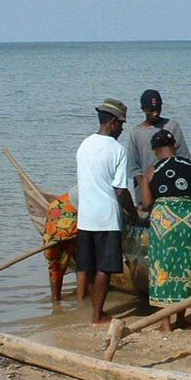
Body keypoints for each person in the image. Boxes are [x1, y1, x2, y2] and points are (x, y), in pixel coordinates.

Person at [76, 98, 140, 325]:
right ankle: (97, 315)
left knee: (89, 266)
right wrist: (134, 215)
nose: (122, 129)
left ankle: (96, 311)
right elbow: (121, 190)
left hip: (85, 217)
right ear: (112, 122)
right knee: (105, 267)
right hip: (106, 217)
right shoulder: (117, 150)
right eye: (121, 124)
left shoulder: (84, 145)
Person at [146, 129, 191, 333]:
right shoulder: (189, 165)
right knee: (186, 264)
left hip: (164, 222)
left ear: (155, 150)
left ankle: (165, 324)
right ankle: (181, 319)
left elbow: (147, 202)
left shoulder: (152, 169)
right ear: (174, 146)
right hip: (187, 220)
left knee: (162, 265)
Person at [127, 89, 189, 210]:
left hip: (172, 194)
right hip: (147, 197)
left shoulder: (172, 126)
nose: (155, 113)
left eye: (158, 109)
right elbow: (134, 168)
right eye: (151, 110)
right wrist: (146, 189)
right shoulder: (136, 133)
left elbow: (184, 158)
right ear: (143, 109)